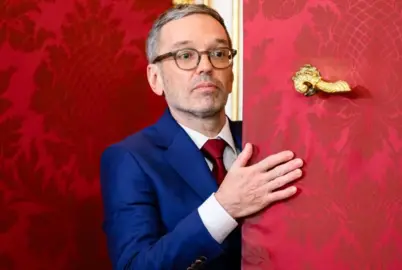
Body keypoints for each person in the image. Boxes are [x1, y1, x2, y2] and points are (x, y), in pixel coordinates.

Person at [99, 4, 304, 270]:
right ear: (155, 78)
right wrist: (224, 208)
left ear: (231, 75)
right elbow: (135, 265)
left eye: (218, 53)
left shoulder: (271, 140)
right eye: (185, 56)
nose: (206, 66)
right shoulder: (130, 159)